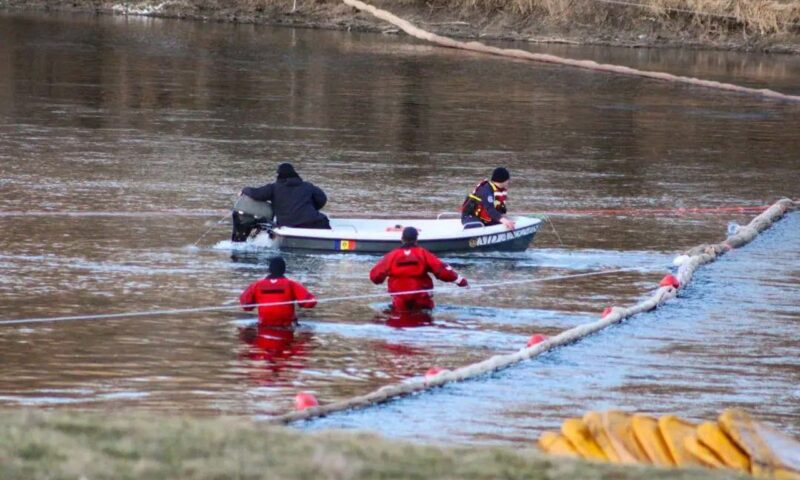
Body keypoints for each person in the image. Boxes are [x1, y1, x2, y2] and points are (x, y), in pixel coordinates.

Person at [369, 227, 468, 312]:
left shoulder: (391, 256)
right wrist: (461, 281)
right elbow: (442, 270)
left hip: (399, 302)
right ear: (416, 240)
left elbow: (375, 276)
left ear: (402, 239)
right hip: (421, 300)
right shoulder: (423, 254)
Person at [240, 162, 330, 229]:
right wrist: (312, 208)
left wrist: (244, 190)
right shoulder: (307, 186)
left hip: (287, 225)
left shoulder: (274, 188)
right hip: (314, 222)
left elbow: (256, 193)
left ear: (279, 175)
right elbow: (322, 199)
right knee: (324, 221)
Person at [239, 257, 317, 327]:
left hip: (264, 325)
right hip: (287, 326)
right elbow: (309, 303)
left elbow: (245, 305)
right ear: (284, 270)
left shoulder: (257, 285)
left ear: (269, 269)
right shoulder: (291, 284)